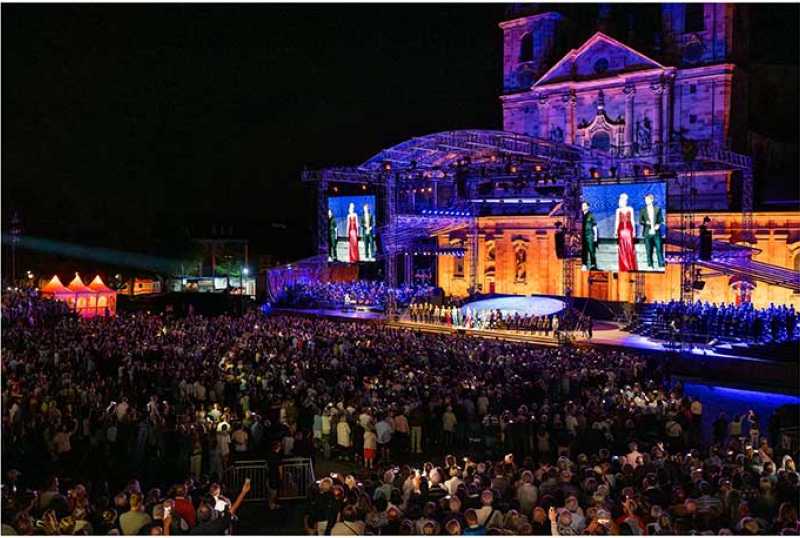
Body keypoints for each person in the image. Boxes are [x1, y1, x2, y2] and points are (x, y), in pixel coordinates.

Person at [639, 192, 665, 269]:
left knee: (659, 249)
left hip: (656, 233)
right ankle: (650, 265)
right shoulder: (643, 210)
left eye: (647, 199)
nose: (646, 201)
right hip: (647, 232)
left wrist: (658, 225)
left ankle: (661, 265)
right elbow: (640, 221)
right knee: (648, 250)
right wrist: (646, 222)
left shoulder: (658, 209)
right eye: (645, 199)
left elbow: (661, 220)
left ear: (652, 200)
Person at [615, 193, 638, 272]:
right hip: (621, 230)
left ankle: (630, 266)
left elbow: (632, 220)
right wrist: (615, 231)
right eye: (621, 200)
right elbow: (617, 221)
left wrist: (634, 231)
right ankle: (624, 267)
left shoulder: (630, 208)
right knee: (622, 248)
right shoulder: (618, 210)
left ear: (626, 201)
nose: (622, 201)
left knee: (630, 247)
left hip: (629, 229)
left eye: (624, 200)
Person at [581, 201, 598, 271]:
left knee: (591, 250)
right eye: (582, 206)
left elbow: (594, 226)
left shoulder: (591, 215)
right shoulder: (581, 216)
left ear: (588, 207)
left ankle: (593, 265)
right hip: (583, 235)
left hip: (590, 235)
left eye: (584, 206)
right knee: (584, 250)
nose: (583, 207)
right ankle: (584, 265)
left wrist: (595, 237)